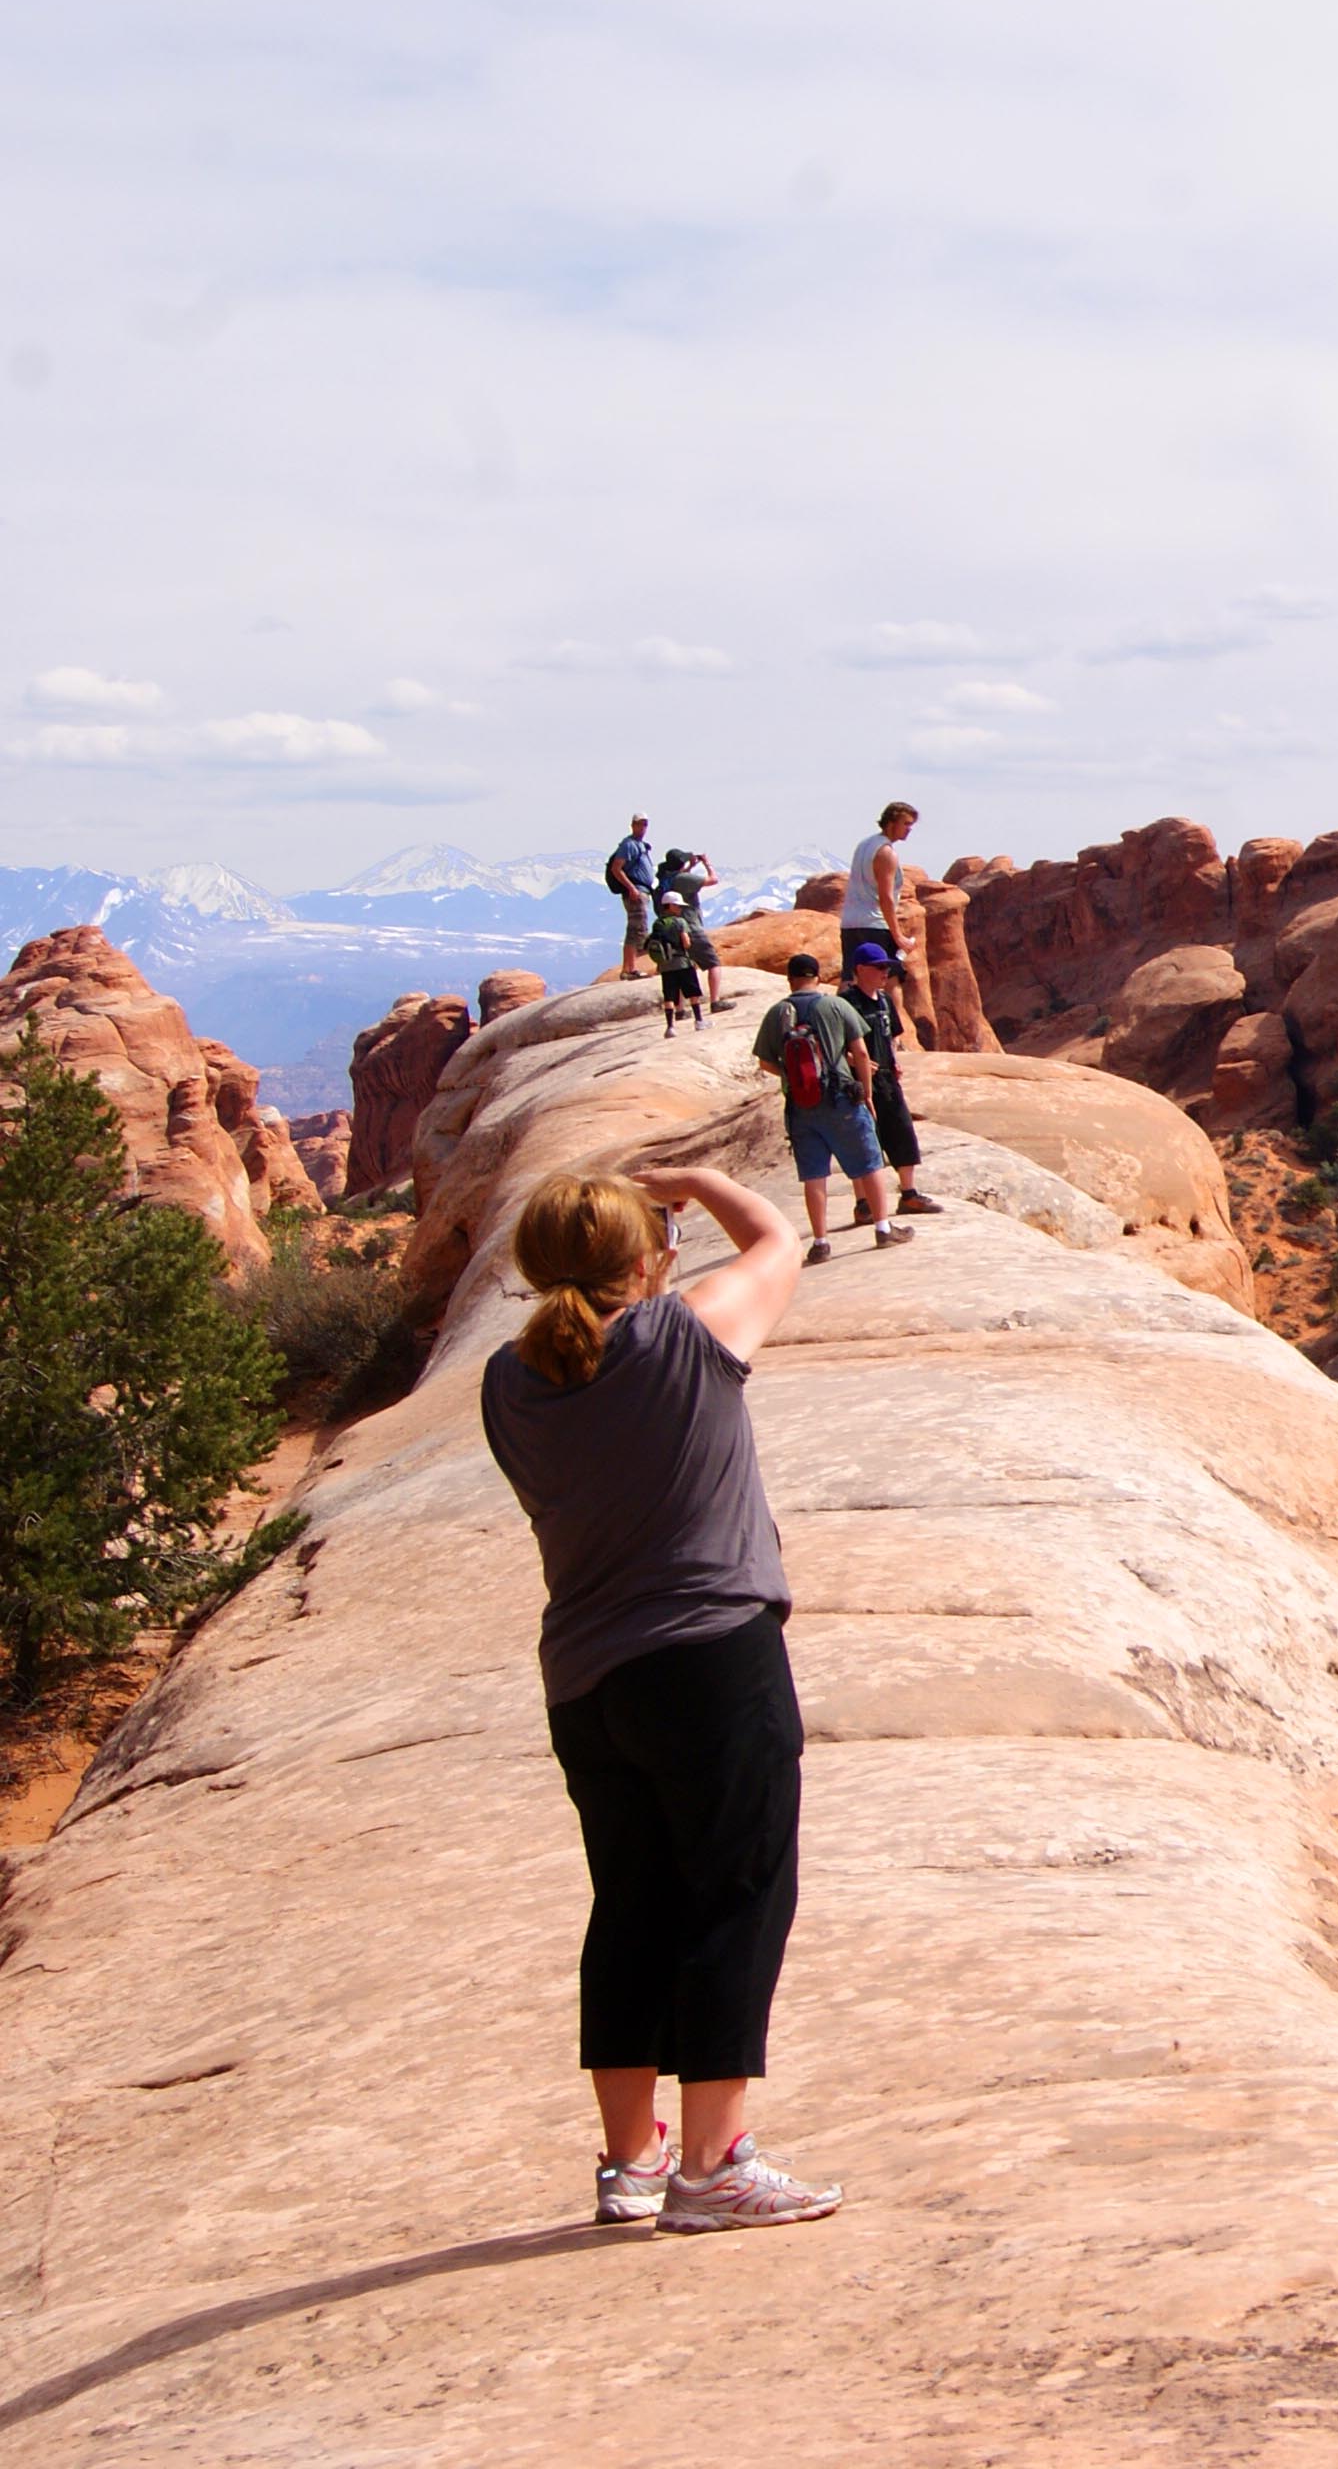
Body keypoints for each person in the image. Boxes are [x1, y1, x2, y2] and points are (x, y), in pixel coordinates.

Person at [478, 1160, 842, 2234]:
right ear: (649, 1259)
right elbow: (779, 1241)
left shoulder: (507, 1380)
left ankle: (630, 2164)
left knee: (631, 1907)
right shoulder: (686, 1335)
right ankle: (714, 2164)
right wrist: (696, 1179)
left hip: (586, 1684)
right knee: (736, 1894)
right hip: (709, 1658)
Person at [750, 953, 911, 1261]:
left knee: (814, 1175)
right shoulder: (835, 1005)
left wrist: (793, 1077)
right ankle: (882, 1228)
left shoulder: (777, 1012)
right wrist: (865, 1093)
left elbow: (765, 1062)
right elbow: (861, 1053)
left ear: (790, 979)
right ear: (817, 976)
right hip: (841, 1098)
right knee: (869, 1161)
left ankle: (821, 1242)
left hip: (800, 1105)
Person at [840, 943, 943, 1215]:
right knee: (863, 1138)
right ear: (861, 969)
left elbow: (893, 1034)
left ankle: (908, 1194)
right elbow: (832, 1044)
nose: (885, 972)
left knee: (901, 1131)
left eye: (887, 967)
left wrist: (893, 1057)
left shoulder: (884, 1000)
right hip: (857, 1083)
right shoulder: (846, 1004)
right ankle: (864, 1204)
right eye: (879, 967)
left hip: (886, 1078)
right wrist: (851, 1060)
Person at [843, 802, 919, 978]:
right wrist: (898, 935)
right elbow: (885, 897)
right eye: (906, 824)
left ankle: (838, 1007)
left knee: (851, 977)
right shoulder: (886, 853)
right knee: (890, 978)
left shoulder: (864, 845)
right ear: (891, 823)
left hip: (850, 923)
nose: (909, 829)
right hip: (875, 925)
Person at [646, 894, 709, 1037]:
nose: (680, 908)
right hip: (682, 962)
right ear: (671, 905)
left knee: (669, 996)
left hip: (666, 965)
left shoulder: (658, 923)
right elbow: (686, 942)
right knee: (693, 992)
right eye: (678, 906)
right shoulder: (680, 922)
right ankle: (699, 1021)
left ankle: (670, 1027)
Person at [606, 818, 658, 981]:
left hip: (641, 890)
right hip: (635, 891)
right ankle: (629, 969)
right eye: (639, 824)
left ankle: (631, 968)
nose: (642, 827)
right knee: (635, 930)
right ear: (632, 825)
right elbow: (617, 868)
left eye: (644, 824)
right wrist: (631, 888)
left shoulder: (640, 845)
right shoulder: (629, 845)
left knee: (638, 930)